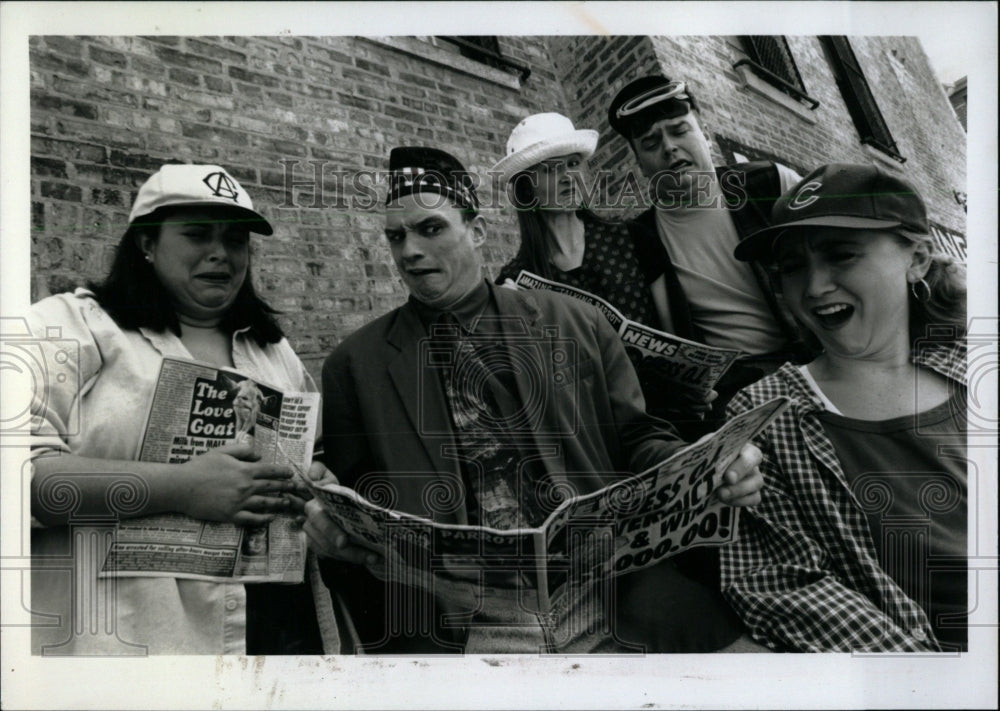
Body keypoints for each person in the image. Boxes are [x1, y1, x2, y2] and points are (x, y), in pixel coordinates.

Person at [304, 146, 767, 654]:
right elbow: (353, 501)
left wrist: (710, 467)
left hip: (609, 593)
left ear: (476, 232)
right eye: (397, 236)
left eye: (430, 228)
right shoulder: (354, 365)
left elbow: (636, 437)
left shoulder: (577, 322)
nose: (410, 251)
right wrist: (329, 524)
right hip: (466, 623)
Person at [29, 163, 337, 655]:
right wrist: (183, 488)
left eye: (236, 240)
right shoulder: (69, 327)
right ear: (146, 244)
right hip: (133, 645)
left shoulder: (273, 350)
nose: (221, 253)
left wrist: (314, 484)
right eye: (196, 234)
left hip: (278, 632)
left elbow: (313, 455)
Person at [719, 163, 968, 652]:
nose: (813, 288)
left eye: (841, 255)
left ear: (915, 258)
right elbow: (778, 581)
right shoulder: (764, 414)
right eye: (792, 267)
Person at [607, 75, 817, 418]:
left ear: (703, 133)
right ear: (641, 165)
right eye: (650, 142)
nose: (669, 148)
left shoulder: (770, 184)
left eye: (679, 130)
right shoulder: (640, 239)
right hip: (730, 395)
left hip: (814, 361)